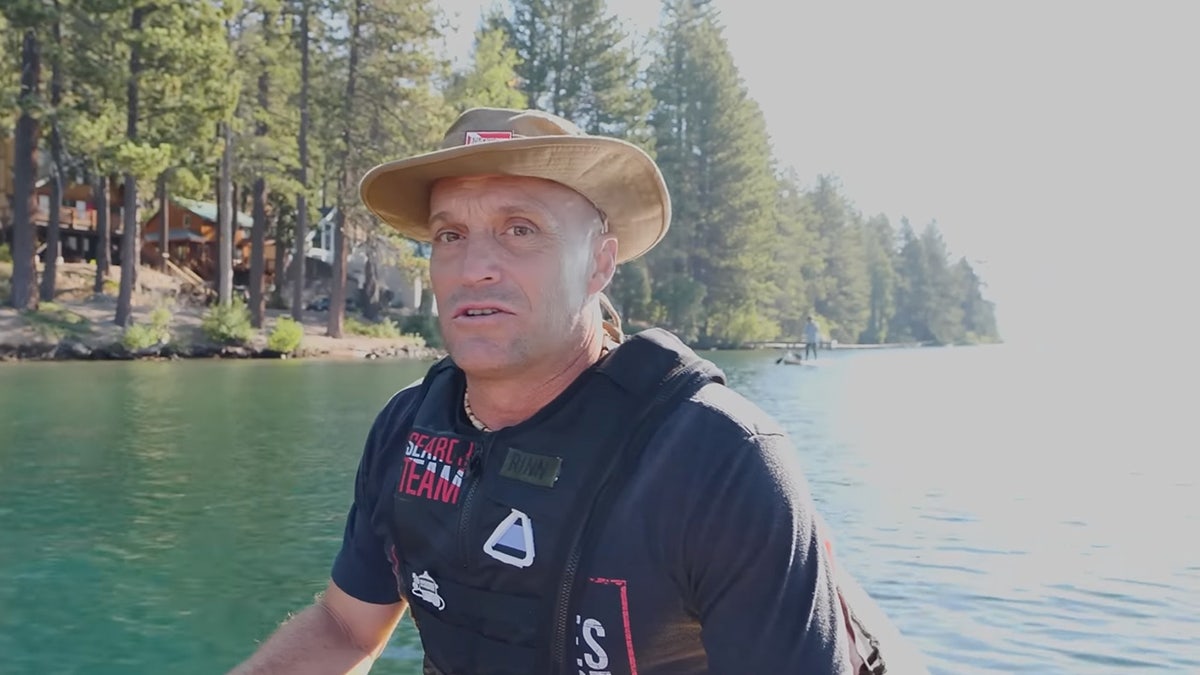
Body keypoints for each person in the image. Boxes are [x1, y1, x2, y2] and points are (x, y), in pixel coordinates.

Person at [228, 108, 893, 675]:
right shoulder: (407, 430)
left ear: (600, 262)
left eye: (521, 229)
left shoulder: (717, 462)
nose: (475, 267)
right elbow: (346, 628)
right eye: (450, 235)